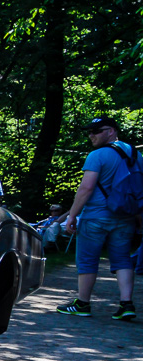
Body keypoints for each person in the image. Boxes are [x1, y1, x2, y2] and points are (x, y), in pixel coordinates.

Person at [56, 116, 137, 321]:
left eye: (96, 131)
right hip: (126, 216)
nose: (91, 135)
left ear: (111, 131)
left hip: (95, 217)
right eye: (89, 132)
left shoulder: (97, 155)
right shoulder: (135, 154)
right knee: (122, 259)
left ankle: (83, 303)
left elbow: (86, 188)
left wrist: (72, 215)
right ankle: (126, 304)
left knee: (87, 260)